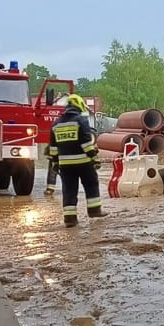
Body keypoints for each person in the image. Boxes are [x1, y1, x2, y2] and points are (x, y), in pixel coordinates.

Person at [48, 93, 106, 227]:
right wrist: (94, 158)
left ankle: (70, 219)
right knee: (91, 184)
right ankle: (94, 210)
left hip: (65, 165)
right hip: (83, 163)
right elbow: (86, 143)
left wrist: (55, 163)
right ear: (79, 105)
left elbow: (53, 148)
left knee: (69, 189)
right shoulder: (80, 120)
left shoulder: (56, 124)